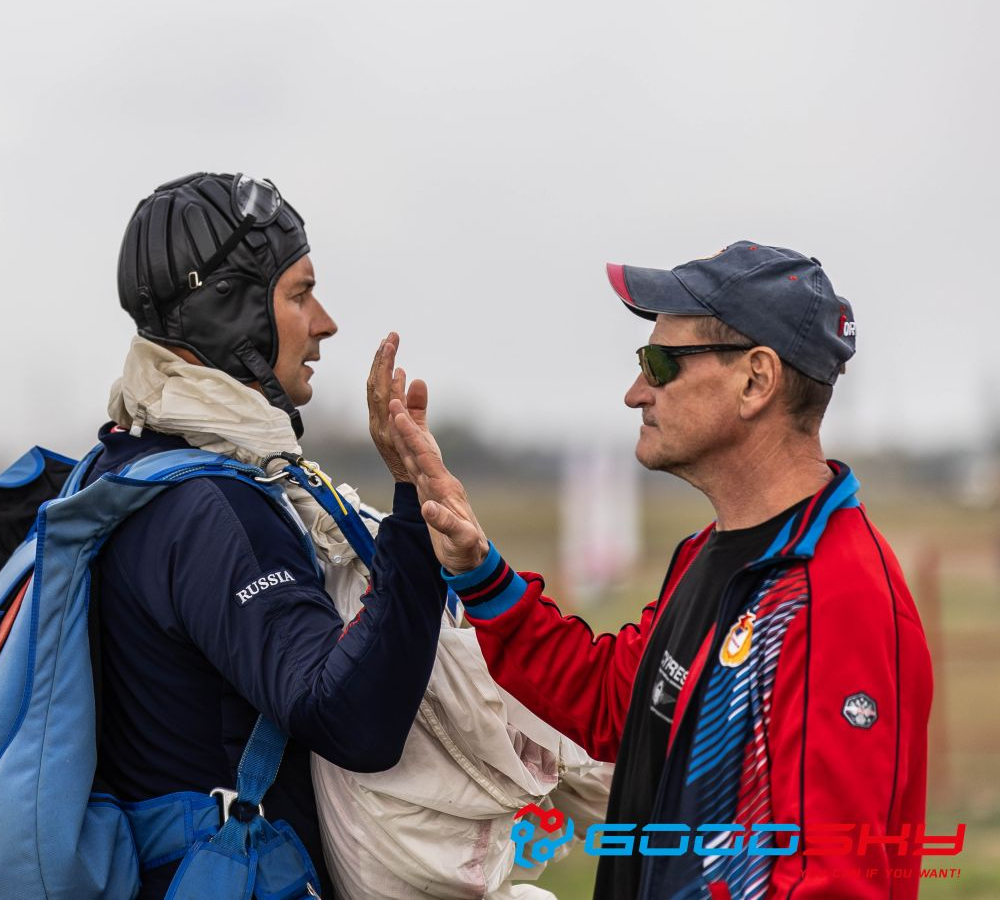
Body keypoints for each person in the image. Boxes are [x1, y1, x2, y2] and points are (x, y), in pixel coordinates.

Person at [90, 172, 603, 899]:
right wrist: (412, 519)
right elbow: (354, 719)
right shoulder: (212, 509)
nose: (325, 322)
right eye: (299, 294)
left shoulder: (128, 466)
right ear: (230, 310)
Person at [378, 242, 934, 899]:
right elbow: (619, 703)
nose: (634, 391)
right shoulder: (710, 553)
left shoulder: (838, 599)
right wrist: (476, 571)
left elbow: (833, 881)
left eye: (660, 362)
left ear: (756, 380)